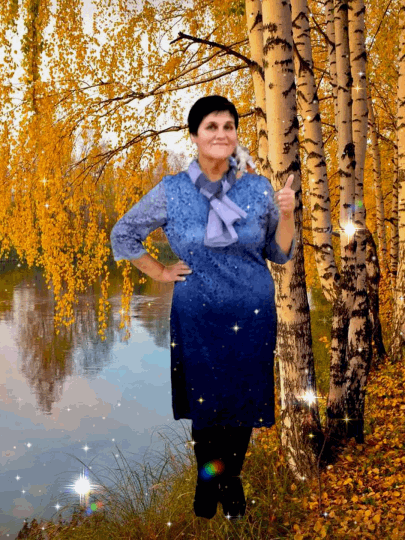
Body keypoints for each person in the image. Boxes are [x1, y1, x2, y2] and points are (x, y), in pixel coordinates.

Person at [110, 95, 296, 521]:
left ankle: (231, 478)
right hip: (199, 316)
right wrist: (159, 271)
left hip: (252, 314)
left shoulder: (257, 188)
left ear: (236, 134)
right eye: (211, 126)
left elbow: (279, 252)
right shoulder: (172, 191)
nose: (221, 134)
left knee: (243, 402)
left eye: (229, 126)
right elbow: (124, 233)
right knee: (207, 404)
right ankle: (208, 477)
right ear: (194, 135)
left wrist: (287, 215)